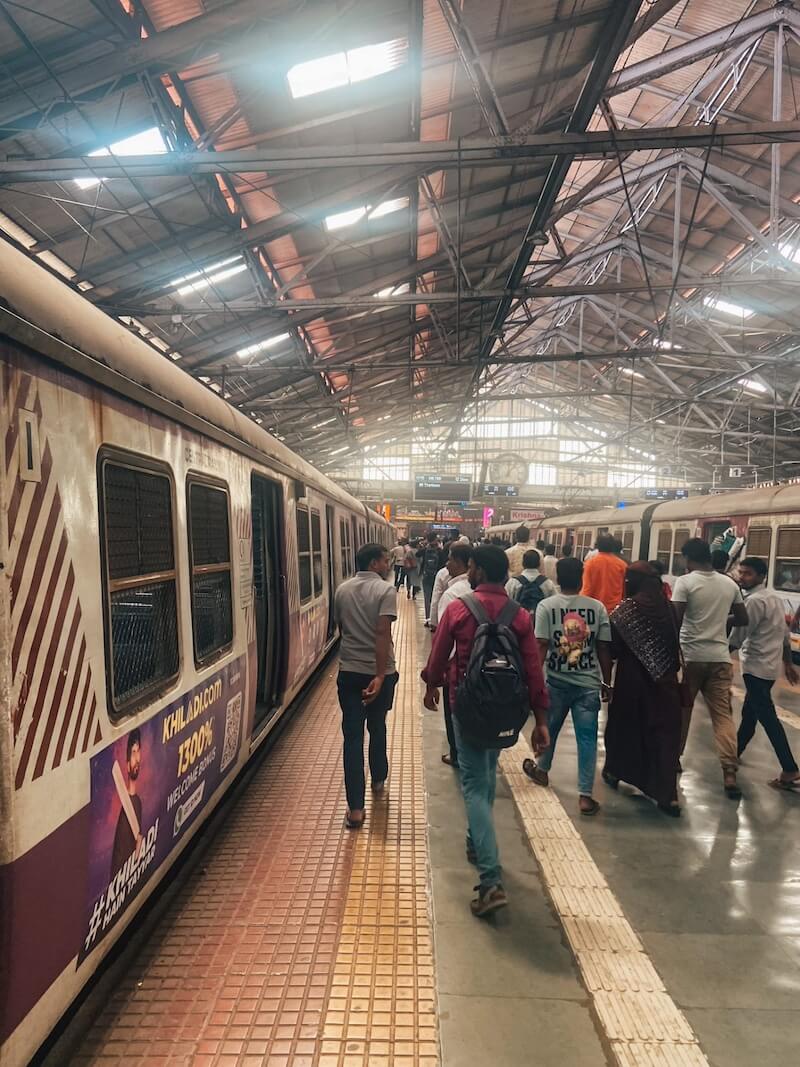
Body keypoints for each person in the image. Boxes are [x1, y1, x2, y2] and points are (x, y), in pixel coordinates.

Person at [421, 546, 549, 917]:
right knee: (487, 774)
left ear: (477, 570)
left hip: (468, 705)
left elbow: (438, 654)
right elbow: (533, 670)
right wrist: (540, 720)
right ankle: (476, 842)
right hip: (507, 709)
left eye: (472, 565)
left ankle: (491, 881)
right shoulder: (520, 616)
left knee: (475, 785)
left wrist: (431, 685)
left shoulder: (460, 608)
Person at [525, 556, 612, 815]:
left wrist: (534, 681)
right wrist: (607, 681)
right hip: (588, 683)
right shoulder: (597, 608)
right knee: (586, 740)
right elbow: (603, 647)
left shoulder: (546, 606)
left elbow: (540, 644)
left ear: (558, 579)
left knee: (548, 728)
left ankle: (542, 770)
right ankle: (585, 796)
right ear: (582, 578)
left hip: (556, 680)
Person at [603, 563, 682, 816]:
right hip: (666, 683)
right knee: (664, 736)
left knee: (625, 729)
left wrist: (606, 680)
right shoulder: (670, 609)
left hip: (632, 683)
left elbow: (612, 649)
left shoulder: (624, 612)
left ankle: (616, 771)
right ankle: (668, 795)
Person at [672, 538, 749, 798]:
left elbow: (676, 619)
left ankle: (675, 759)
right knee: (723, 716)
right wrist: (720, 619)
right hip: (719, 658)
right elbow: (742, 618)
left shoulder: (685, 583)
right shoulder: (730, 584)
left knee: (683, 710)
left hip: (691, 657)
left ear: (687, 558)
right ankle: (729, 771)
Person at [334, 543, 399, 829]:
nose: (388, 565)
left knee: (352, 737)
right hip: (379, 672)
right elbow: (383, 632)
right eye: (385, 561)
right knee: (377, 725)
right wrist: (381, 675)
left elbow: (342, 628)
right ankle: (379, 776)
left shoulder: (342, 590)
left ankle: (356, 809)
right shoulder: (386, 591)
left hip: (349, 672)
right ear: (374, 563)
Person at [732, 557, 800, 790]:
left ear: (761, 576)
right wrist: (788, 663)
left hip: (755, 667)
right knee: (750, 711)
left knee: (768, 718)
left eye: (748, 573)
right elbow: (783, 634)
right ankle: (734, 753)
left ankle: (790, 768)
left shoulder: (753, 602)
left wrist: (720, 654)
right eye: (741, 572)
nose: (742, 577)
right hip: (769, 668)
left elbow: (739, 636)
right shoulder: (774, 598)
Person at [432, 544, 472, 768]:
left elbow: (443, 638)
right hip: (481, 665)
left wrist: (434, 677)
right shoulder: (482, 591)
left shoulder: (452, 594)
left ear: (464, 563)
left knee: (453, 711)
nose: (446, 564)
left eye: (450, 559)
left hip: (457, 666)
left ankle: (457, 753)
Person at [111, 729, 144, 879]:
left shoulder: (137, 803)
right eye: (133, 752)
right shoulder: (125, 812)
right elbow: (119, 860)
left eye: (138, 752)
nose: (137, 758)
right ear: (127, 765)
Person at [580, 533, 627, 614]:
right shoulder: (622, 565)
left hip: (594, 609)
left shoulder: (590, 564)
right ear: (612, 546)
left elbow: (587, 589)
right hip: (614, 610)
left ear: (597, 546)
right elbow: (624, 590)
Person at [420, 532, 444, 625]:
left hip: (426, 577)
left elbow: (417, 554)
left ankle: (427, 619)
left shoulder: (425, 550)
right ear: (435, 539)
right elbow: (443, 562)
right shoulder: (440, 551)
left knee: (427, 598)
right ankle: (435, 619)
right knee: (436, 598)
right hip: (437, 577)